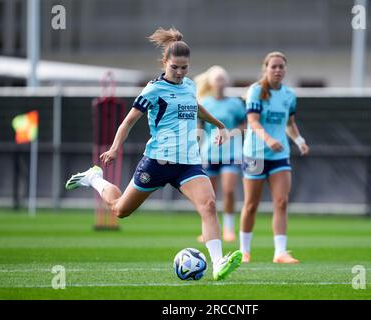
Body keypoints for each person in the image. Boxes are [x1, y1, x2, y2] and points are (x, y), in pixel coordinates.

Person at [64, 27, 242, 280]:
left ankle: (218, 263)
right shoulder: (152, 90)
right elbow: (127, 122)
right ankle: (94, 178)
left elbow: (196, 107)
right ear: (165, 63)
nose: (180, 73)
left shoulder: (190, 86)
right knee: (119, 210)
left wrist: (221, 125)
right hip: (157, 162)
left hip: (187, 163)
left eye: (185, 68)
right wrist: (115, 148)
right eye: (175, 68)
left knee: (209, 205)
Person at [239, 52, 309, 264]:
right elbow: (253, 122)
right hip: (255, 155)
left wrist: (299, 141)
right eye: (274, 67)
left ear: (285, 69)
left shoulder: (289, 95)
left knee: (281, 202)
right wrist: (268, 139)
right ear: (266, 69)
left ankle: (280, 252)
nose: (278, 70)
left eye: (281, 67)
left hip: (280, 155)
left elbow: (289, 123)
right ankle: (244, 251)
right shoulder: (256, 91)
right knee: (251, 204)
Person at [194, 66, 246, 243]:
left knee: (229, 190)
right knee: (209, 196)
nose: (220, 83)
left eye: (223, 79)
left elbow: (245, 124)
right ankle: (208, 229)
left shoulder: (235, 103)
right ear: (210, 82)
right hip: (209, 153)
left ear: (227, 82)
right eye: (217, 79)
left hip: (231, 153)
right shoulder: (205, 103)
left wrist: (230, 133)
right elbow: (199, 128)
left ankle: (229, 228)